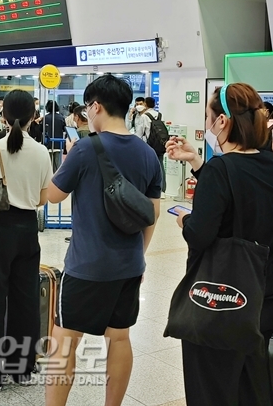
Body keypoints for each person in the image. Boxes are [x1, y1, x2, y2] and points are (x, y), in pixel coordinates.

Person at [45, 74, 162, 406]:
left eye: (87, 107)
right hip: (128, 266)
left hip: (86, 267)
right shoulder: (148, 154)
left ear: (96, 106)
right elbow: (150, 214)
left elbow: (53, 195)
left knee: (64, 340)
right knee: (119, 338)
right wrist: (138, 255)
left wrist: (68, 159)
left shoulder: (84, 148)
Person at [166, 83, 273, 405]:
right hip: (259, 297)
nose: (206, 123)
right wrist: (198, 164)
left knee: (211, 392)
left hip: (219, 302)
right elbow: (241, 202)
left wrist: (185, 221)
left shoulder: (221, 169)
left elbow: (200, 235)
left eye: (208, 116)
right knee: (248, 391)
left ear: (223, 122)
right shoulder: (269, 164)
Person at [0, 90, 52, 391]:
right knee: (25, 299)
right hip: (27, 230)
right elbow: (44, 198)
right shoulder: (42, 152)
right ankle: (22, 369)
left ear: (3, 117)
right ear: (34, 117)